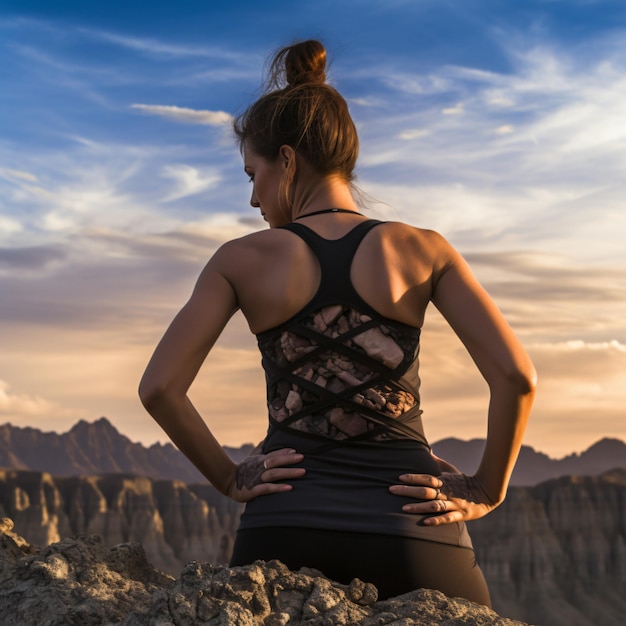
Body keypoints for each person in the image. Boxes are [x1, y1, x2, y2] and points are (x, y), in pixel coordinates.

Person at [139, 39, 536, 607]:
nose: (253, 197)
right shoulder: (424, 250)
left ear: (288, 161)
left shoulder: (239, 260)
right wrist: (485, 488)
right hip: (413, 529)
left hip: (282, 529)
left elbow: (159, 388)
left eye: (253, 174)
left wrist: (230, 478)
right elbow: (517, 378)